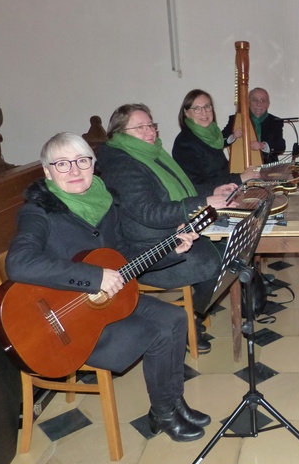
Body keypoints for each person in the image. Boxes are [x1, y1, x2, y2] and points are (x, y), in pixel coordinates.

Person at [6, 132, 211, 442]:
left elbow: (123, 255)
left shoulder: (105, 202)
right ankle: (164, 413)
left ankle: (172, 403)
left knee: (175, 317)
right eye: (62, 164)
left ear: (94, 165)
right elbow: (19, 263)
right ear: (47, 172)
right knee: (158, 333)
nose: (74, 170)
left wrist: (171, 248)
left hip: (107, 302)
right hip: (67, 322)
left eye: (82, 161)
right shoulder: (37, 211)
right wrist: (94, 276)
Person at [97, 103, 237, 354]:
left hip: (171, 233)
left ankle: (195, 308)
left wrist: (211, 192)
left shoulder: (152, 154)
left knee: (231, 247)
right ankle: (190, 318)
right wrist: (204, 202)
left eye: (151, 125)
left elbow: (178, 191)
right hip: (147, 250)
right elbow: (150, 212)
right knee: (216, 261)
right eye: (140, 127)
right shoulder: (122, 166)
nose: (150, 131)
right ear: (119, 133)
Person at [173, 89, 258, 191]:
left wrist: (244, 175)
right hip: (207, 198)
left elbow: (220, 174)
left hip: (223, 193)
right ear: (186, 113)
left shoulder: (213, 136)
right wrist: (240, 178)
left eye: (207, 107)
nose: (204, 112)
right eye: (197, 109)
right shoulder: (184, 143)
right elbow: (197, 185)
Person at [224, 87, 286, 164]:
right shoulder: (235, 119)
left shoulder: (275, 121)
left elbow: (281, 146)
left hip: (268, 166)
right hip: (241, 164)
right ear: (248, 102)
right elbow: (221, 140)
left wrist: (263, 145)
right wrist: (233, 136)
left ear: (268, 104)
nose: (258, 104)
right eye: (254, 100)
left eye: (262, 101)